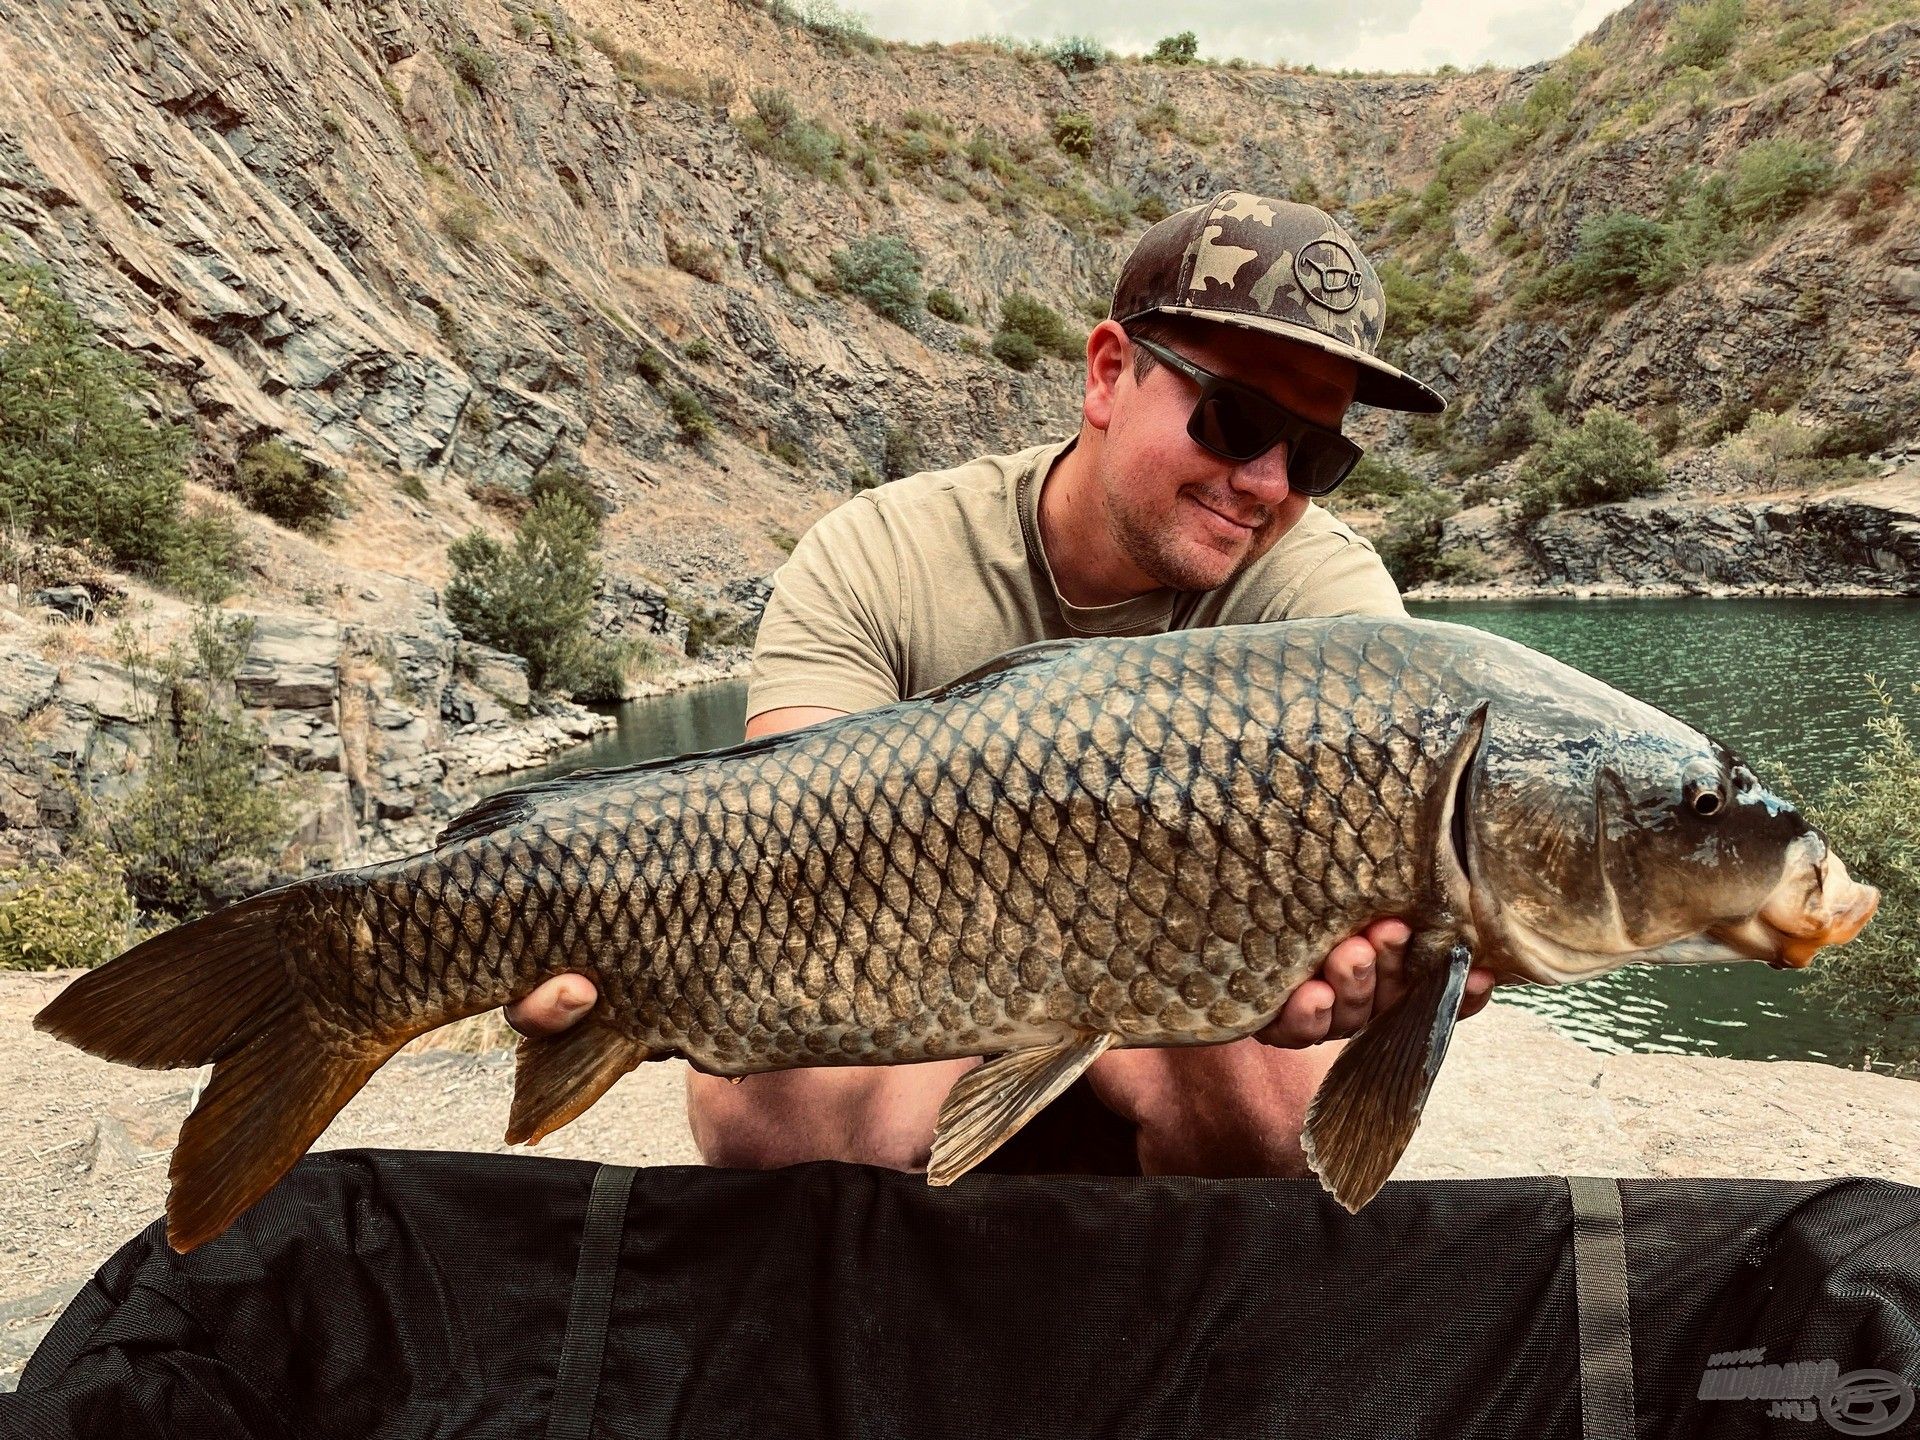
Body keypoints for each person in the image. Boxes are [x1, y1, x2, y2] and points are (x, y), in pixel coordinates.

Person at [507, 191, 1497, 1177]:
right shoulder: (879, 554)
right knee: (771, 1111)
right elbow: (776, 860)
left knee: (1279, 1108)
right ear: (1110, 375)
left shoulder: (1329, 599)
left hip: (1185, 1031)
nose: (1269, 483)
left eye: (1316, 454)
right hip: (901, 1006)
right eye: (1235, 421)